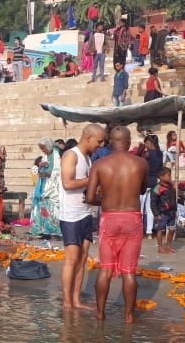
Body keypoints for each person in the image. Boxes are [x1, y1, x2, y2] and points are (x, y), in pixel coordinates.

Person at [84, 125, 147, 321]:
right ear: (128, 142)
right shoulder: (141, 163)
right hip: (132, 218)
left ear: (110, 142)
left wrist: (106, 200)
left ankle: (100, 314)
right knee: (129, 272)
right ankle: (129, 317)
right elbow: (143, 190)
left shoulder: (99, 164)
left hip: (109, 218)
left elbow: (89, 197)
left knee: (105, 269)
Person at [60, 123, 105, 310]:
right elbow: (68, 183)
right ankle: (67, 302)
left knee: (83, 257)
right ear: (88, 138)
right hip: (70, 215)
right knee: (72, 259)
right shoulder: (71, 155)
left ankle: (77, 300)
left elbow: (87, 187)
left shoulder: (88, 158)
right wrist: (94, 178)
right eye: (99, 141)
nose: (101, 145)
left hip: (85, 212)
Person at [30, 138, 61, 238]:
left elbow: (57, 171)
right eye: (42, 149)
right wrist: (41, 166)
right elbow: (41, 168)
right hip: (43, 184)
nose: (43, 151)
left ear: (49, 146)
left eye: (44, 149)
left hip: (52, 186)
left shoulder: (56, 155)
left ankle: (53, 230)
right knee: (41, 205)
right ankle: (42, 229)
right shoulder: (45, 156)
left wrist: (47, 173)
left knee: (52, 208)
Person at [150, 166, 177, 254]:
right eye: (168, 176)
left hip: (172, 212)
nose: (170, 177)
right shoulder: (157, 188)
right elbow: (153, 202)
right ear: (161, 177)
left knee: (172, 229)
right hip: (162, 213)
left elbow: (174, 197)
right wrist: (156, 214)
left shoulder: (171, 186)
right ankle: (160, 247)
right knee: (160, 230)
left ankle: (168, 246)